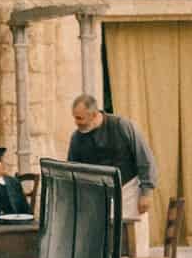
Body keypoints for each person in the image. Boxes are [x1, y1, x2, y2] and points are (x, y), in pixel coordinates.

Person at [66, 94, 156, 222]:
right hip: (98, 200)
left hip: (129, 193)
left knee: (132, 239)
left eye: (80, 118)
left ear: (94, 115)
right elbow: (72, 171)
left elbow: (145, 158)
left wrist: (146, 193)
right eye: (75, 118)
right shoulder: (76, 138)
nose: (76, 123)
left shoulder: (122, 126)